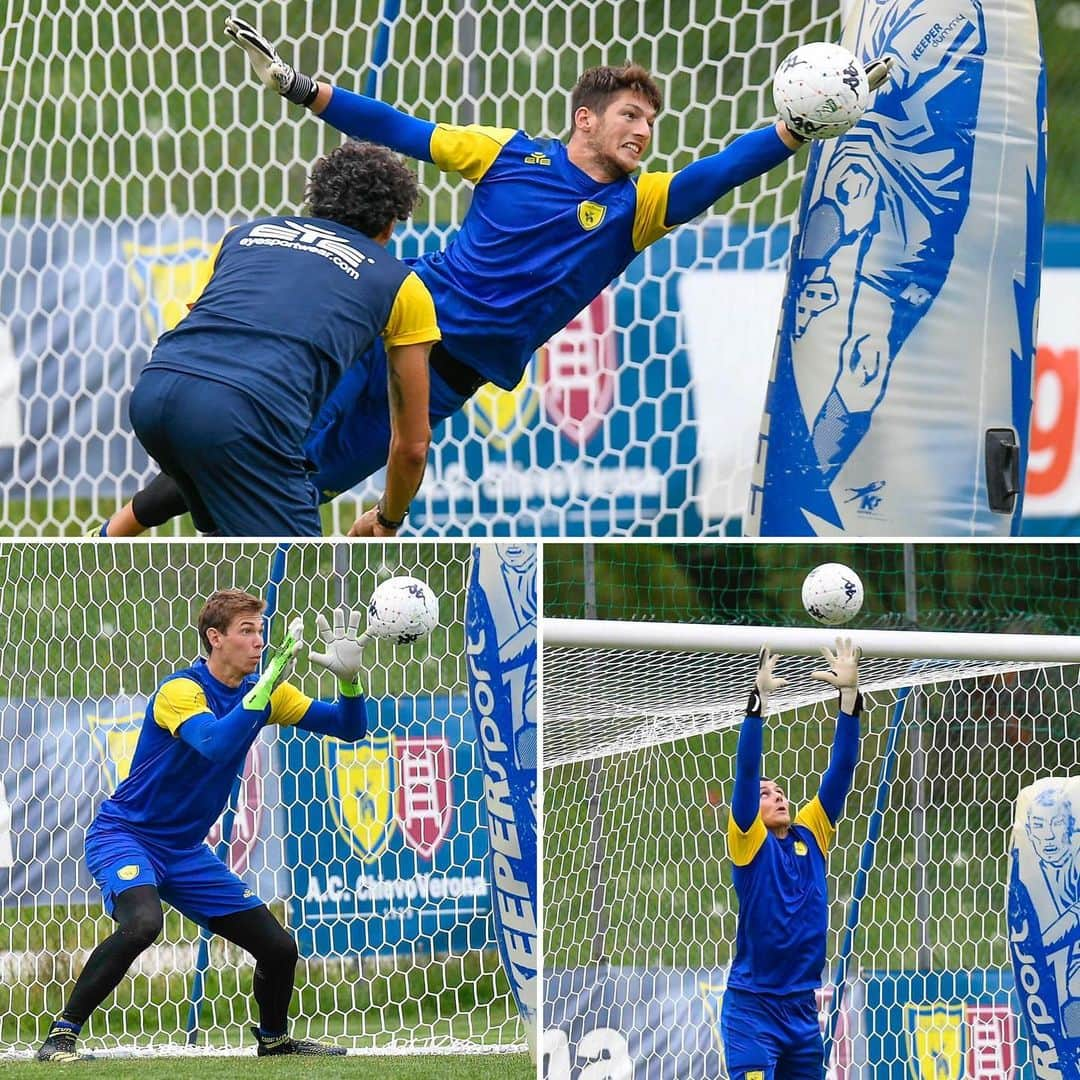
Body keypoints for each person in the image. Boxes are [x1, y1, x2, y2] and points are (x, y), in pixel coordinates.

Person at [98, 17, 894, 538]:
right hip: (383, 325)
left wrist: (803, 123)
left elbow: (721, 171)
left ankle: (130, 530)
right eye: (630, 116)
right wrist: (306, 90)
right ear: (586, 118)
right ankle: (124, 532)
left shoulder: (640, 206)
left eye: (652, 122)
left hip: (448, 379)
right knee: (268, 456)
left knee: (301, 482)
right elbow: (400, 129)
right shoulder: (509, 152)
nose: (645, 132)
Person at [37, 589, 371, 1061]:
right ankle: (61, 1036)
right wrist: (271, 678)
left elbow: (349, 727)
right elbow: (212, 742)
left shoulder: (266, 693)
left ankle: (274, 1041)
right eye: (247, 631)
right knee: (142, 924)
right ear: (215, 638)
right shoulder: (181, 691)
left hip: (184, 852)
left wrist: (351, 682)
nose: (259, 642)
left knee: (278, 947)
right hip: (126, 835)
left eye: (261, 631)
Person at [127, 140, 440, 537]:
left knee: (227, 530)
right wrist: (388, 518)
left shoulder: (244, 235)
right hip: (240, 417)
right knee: (299, 566)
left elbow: (202, 327)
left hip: (153, 390)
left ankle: (103, 538)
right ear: (391, 224)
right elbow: (412, 446)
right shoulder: (402, 284)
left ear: (317, 199)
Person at [722, 639, 862, 1080]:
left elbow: (841, 770)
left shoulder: (812, 832)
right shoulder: (748, 840)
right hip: (752, 1009)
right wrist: (757, 708)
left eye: (780, 790)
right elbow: (746, 774)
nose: (776, 795)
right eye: (766, 794)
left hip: (802, 1011)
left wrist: (850, 700)